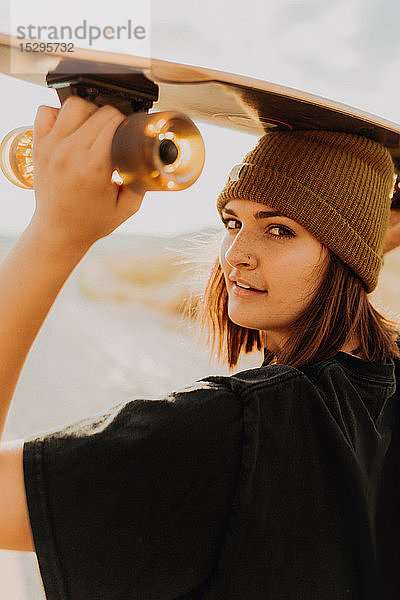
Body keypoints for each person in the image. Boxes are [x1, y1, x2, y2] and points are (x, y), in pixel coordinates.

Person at [0, 96, 400, 600]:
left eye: (279, 230)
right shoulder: (380, 392)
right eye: (233, 223)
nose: (236, 255)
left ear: (347, 255)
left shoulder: (230, 429)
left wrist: (55, 233)